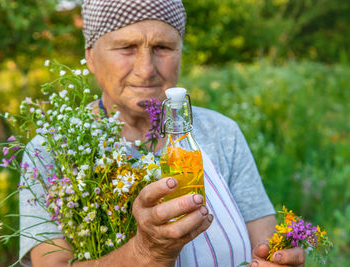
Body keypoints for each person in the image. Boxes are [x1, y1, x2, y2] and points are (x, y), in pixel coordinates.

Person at [19, 1, 305, 266]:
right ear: (91, 58)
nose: (146, 70)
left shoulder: (222, 133)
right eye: (127, 47)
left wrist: (277, 258)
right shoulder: (53, 148)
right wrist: (147, 253)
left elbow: (264, 245)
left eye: (163, 48)